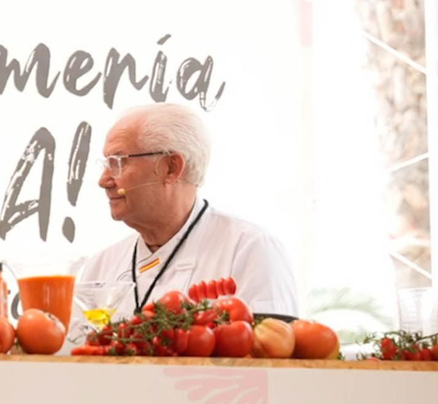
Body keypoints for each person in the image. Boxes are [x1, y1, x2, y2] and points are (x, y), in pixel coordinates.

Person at [78, 103, 300, 318]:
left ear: (171, 167)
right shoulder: (101, 266)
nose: (104, 180)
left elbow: (272, 348)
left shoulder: (250, 249)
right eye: (105, 164)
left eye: (118, 162)